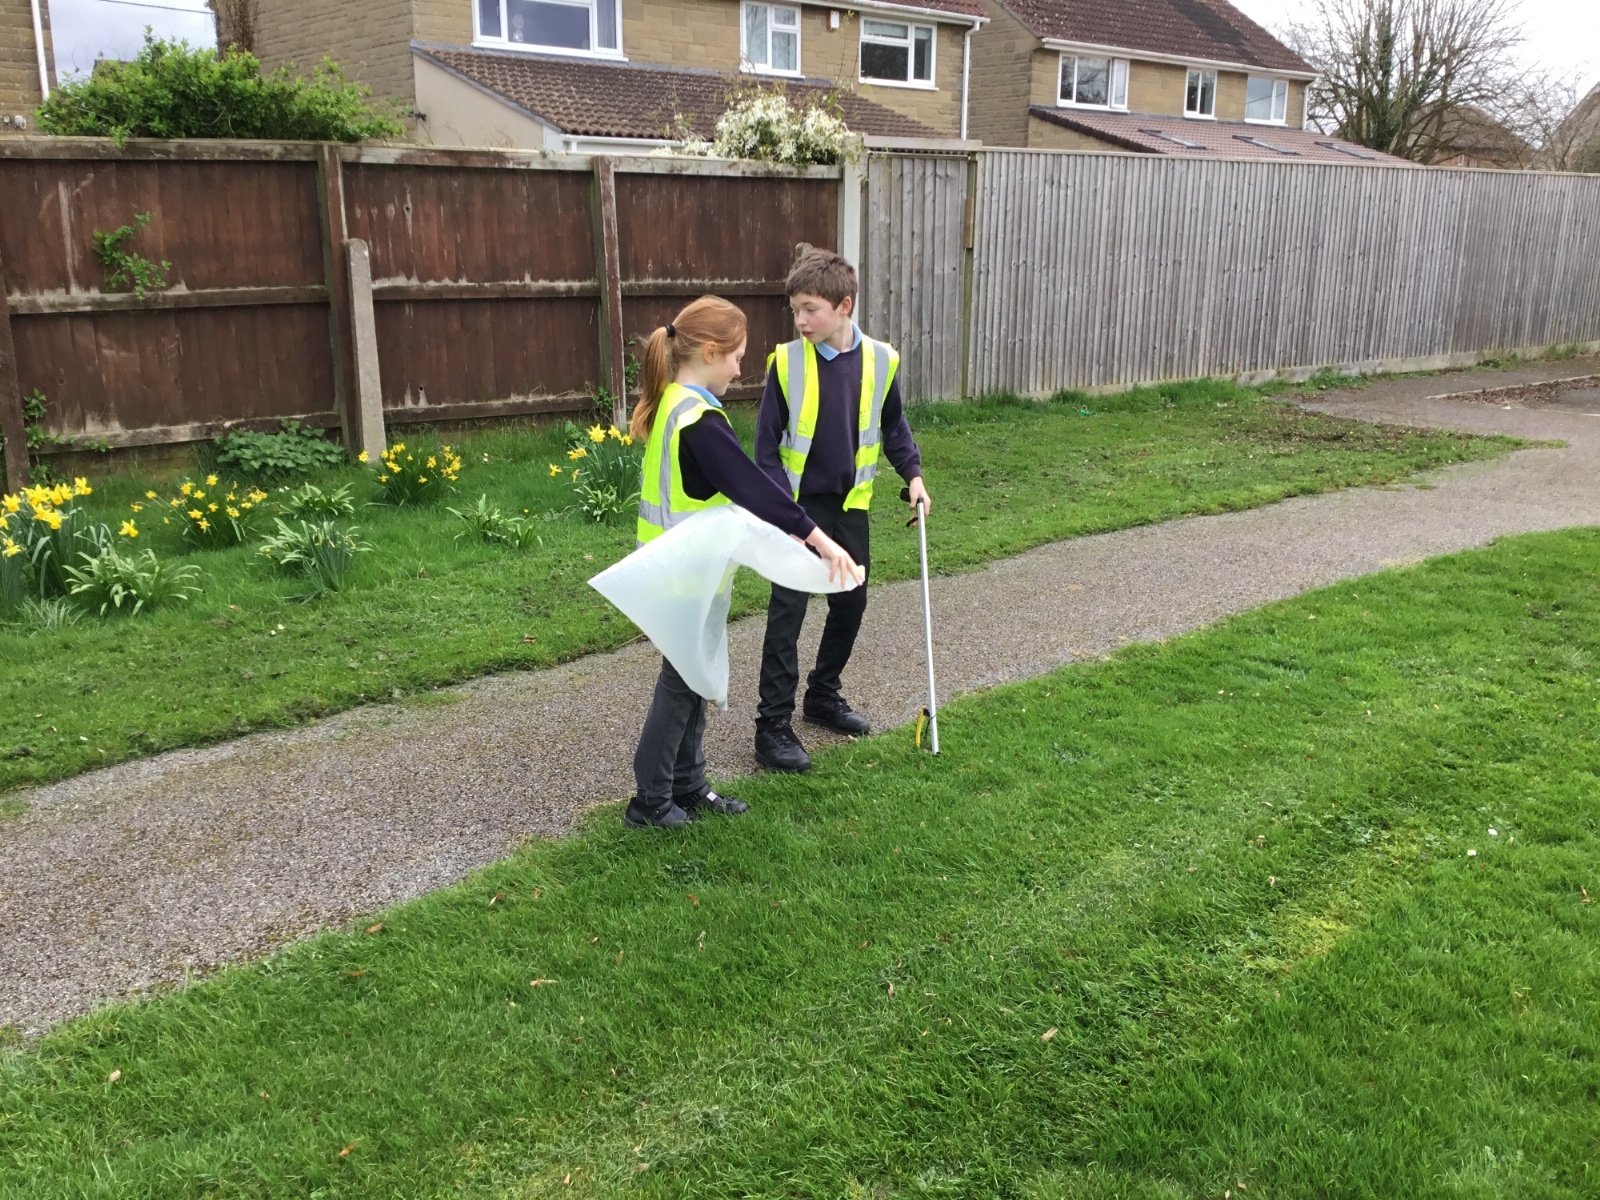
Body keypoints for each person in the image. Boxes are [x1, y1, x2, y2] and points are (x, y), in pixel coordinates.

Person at [625, 295, 863, 829]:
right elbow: (753, 487)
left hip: (684, 570)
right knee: (682, 683)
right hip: (684, 574)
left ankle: (688, 786)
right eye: (736, 358)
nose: (739, 369)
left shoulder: (676, 403)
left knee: (694, 678)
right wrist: (819, 540)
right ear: (710, 352)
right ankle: (650, 802)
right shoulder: (698, 419)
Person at [752, 249, 930, 773]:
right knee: (788, 614)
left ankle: (823, 696)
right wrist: (785, 514)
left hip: (850, 506)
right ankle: (772, 726)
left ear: (843, 305)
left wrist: (914, 477)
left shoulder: (881, 360)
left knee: (851, 605)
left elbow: (893, 426)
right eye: (795, 310)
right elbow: (765, 451)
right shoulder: (786, 363)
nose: (800, 321)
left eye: (810, 309)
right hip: (797, 512)